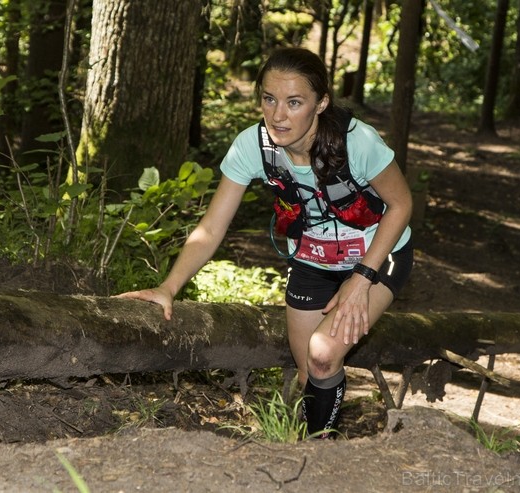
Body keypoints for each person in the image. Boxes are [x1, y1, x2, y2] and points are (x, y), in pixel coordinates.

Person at [115, 47, 413, 438]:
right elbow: (212, 228)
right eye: (269, 99)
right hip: (312, 257)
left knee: (323, 354)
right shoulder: (252, 146)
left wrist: (360, 280)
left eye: (294, 102)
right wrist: (168, 287)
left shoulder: (357, 142)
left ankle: (318, 453)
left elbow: (401, 204)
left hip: (378, 252)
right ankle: (317, 443)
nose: (277, 115)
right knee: (310, 370)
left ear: (321, 103)